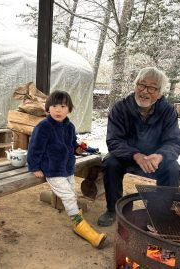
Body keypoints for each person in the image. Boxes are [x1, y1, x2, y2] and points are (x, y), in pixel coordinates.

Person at [97, 67, 180, 227]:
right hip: (128, 157)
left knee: (173, 170)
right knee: (110, 162)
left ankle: (159, 215)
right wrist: (136, 155)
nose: (145, 91)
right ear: (135, 86)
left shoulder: (167, 111)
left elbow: (175, 142)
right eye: (141, 85)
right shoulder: (120, 108)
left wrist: (159, 156)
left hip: (154, 160)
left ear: (160, 93)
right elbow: (114, 141)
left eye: (152, 88)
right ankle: (112, 210)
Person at [27, 90, 107, 248]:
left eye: (63, 106)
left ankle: (71, 211)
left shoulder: (69, 126)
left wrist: (78, 149)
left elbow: (72, 145)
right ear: (48, 108)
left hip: (67, 167)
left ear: (69, 109)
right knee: (69, 197)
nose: (58, 110)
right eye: (54, 106)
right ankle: (79, 225)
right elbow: (34, 148)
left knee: (70, 191)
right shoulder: (43, 127)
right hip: (52, 168)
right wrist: (34, 167)